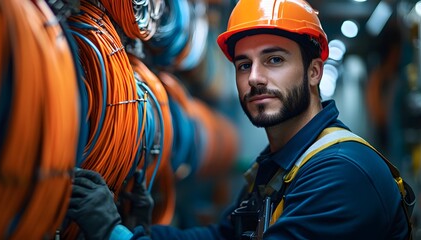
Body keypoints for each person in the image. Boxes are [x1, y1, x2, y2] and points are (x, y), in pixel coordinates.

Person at [66, 0, 415, 239]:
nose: (255, 78)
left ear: (314, 72)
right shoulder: (279, 166)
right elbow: (223, 236)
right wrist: (138, 228)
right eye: (244, 65)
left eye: (274, 60)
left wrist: (113, 233)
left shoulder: (341, 174)